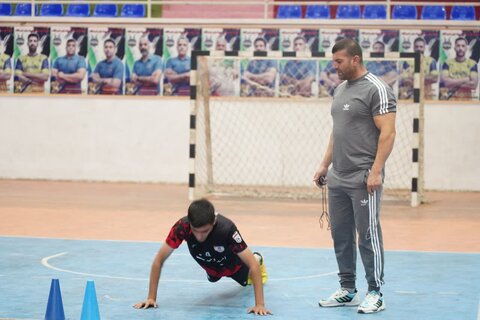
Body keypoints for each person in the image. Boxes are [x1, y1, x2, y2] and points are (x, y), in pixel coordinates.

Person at [313, 38, 396, 314]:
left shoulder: (378, 89)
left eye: (339, 61)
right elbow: (337, 132)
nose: (334, 66)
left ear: (355, 59)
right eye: (333, 61)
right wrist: (325, 165)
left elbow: (388, 133)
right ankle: (347, 289)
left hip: (364, 178)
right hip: (338, 177)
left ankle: (375, 291)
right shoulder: (339, 91)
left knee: (368, 235)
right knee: (341, 235)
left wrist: (375, 171)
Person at [133, 199, 271, 316]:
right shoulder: (182, 227)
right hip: (210, 265)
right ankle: (214, 271)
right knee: (213, 278)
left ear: (214, 222)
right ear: (190, 224)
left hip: (233, 265)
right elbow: (159, 260)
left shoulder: (227, 229)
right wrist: (151, 298)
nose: (199, 236)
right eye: (195, 231)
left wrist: (260, 304)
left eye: (205, 231)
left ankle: (259, 258)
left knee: (247, 277)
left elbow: (252, 265)